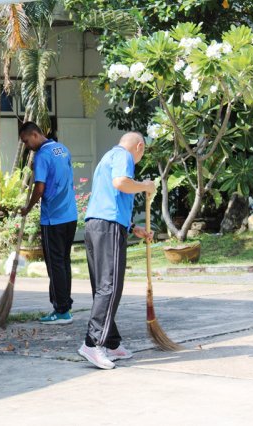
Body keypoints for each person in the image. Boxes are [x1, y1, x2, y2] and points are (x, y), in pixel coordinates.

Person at [78, 131, 155, 369]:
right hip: (107, 225)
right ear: (139, 146)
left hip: (99, 225)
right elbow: (120, 183)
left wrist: (132, 227)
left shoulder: (108, 157)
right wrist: (145, 186)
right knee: (109, 287)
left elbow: (110, 197)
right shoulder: (123, 156)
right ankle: (92, 344)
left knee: (104, 287)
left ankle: (111, 342)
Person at [19, 122, 78, 324]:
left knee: (55, 265)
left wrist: (27, 207)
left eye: (27, 141)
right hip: (70, 214)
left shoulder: (42, 155)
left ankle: (61, 310)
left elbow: (40, 187)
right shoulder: (62, 149)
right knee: (64, 262)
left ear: (35, 134)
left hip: (53, 218)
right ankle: (65, 305)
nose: (27, 146)